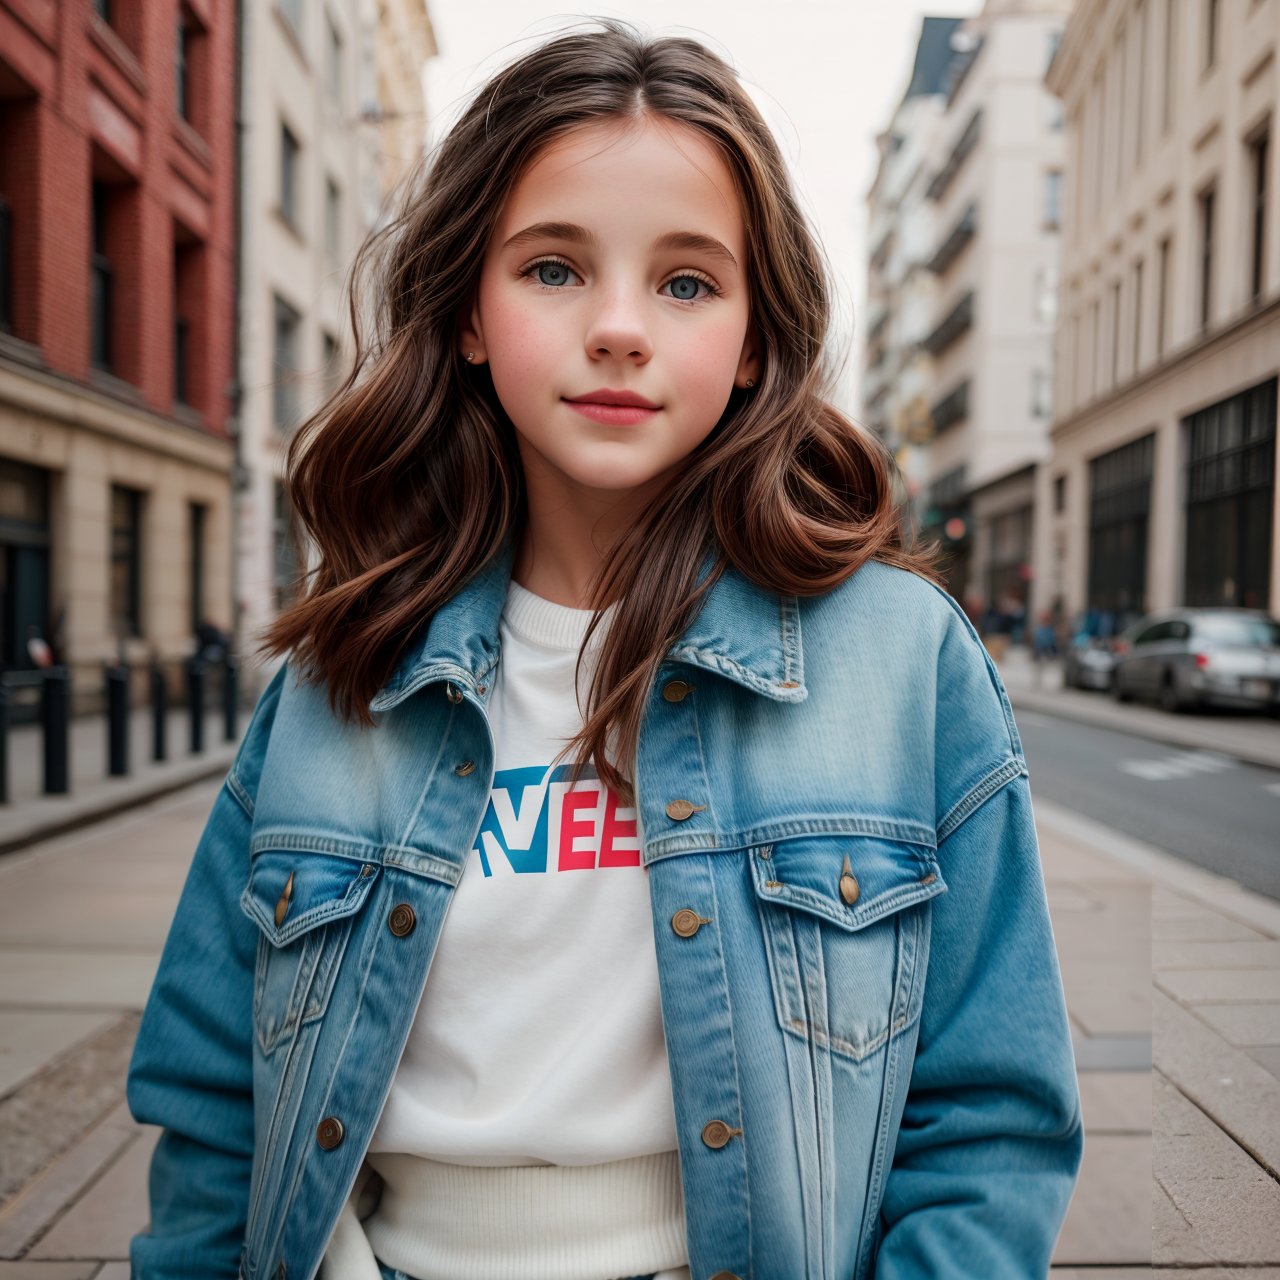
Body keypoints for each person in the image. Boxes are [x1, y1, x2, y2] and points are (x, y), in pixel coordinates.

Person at [126, 19, 1083, 1280]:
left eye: (686, 281)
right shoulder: (340, 672)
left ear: (751, 343)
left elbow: (992, 1120)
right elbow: (211, 1113)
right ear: (468, 310)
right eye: (553, 269)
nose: (620, 327)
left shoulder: (900, 661)